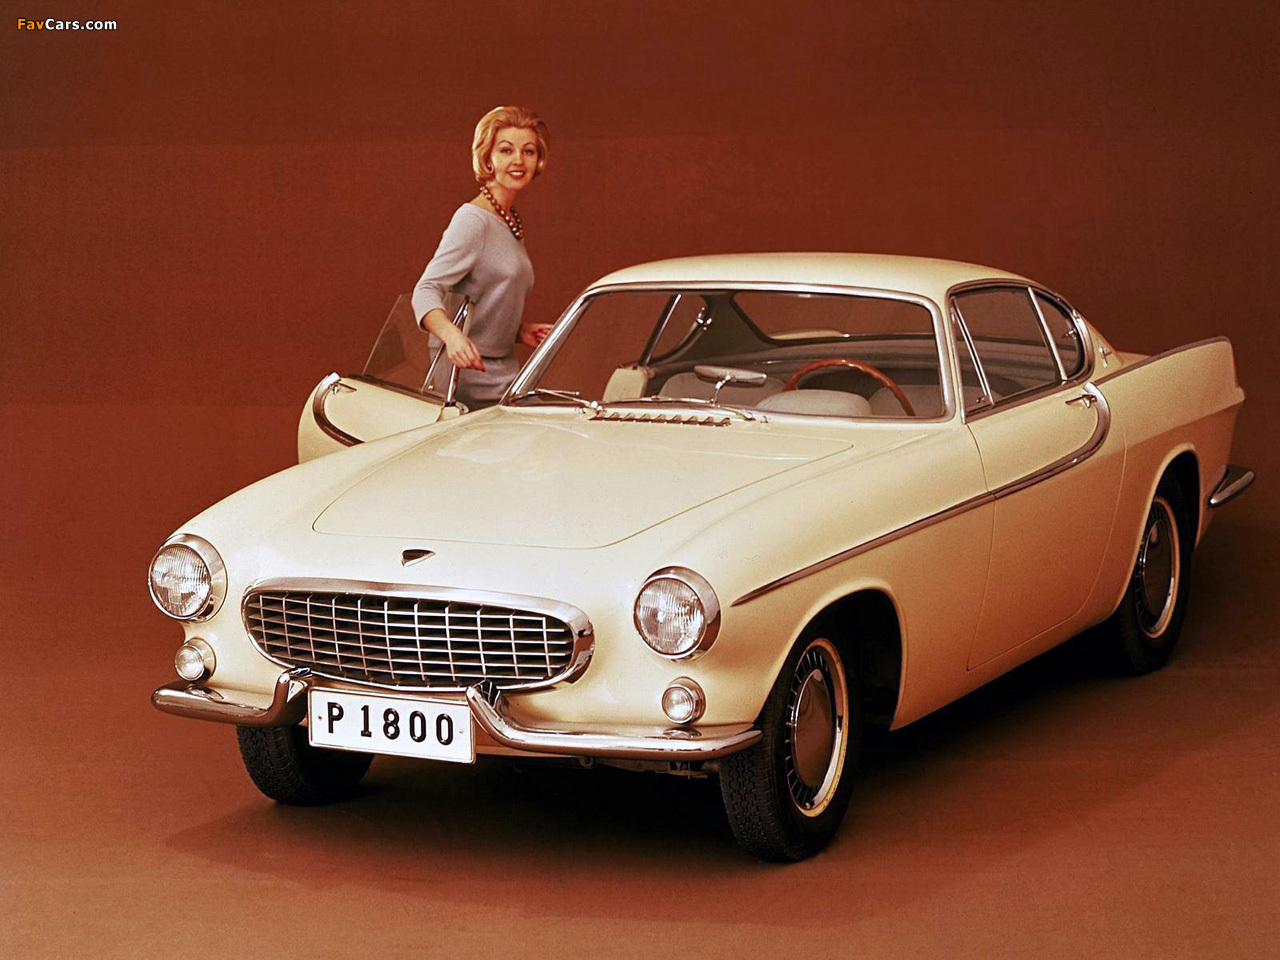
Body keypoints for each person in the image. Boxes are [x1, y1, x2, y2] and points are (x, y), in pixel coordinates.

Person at [411, 105, 553, 410]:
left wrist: (519, 330)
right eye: (506, 150)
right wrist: (452, 337)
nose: (518, 160)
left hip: (503, 366)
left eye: (528, 151)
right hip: (468, 373)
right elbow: (425, 290)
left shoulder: (508, 219)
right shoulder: (473, 220)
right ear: (488, 158)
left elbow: (487, 292)